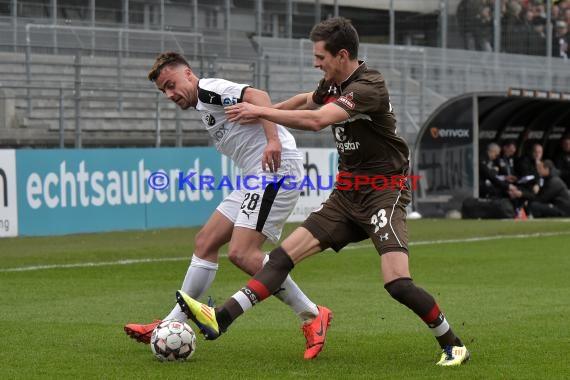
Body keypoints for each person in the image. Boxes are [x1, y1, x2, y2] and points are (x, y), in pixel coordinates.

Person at [175, 17, 469, 367]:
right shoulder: (332, 82)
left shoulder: (368, 86)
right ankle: (219, 319)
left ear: (342, 54)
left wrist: (260, 110)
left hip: (383, 192)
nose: (316, 63)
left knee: (398, 284)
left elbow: (317, 120)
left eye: (320, 57)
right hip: (345, 195)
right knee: (282, 258)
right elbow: (308, 100)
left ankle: (453, 343)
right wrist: (263, 114)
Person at [124, 51, 332, 360]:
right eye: (163, 91)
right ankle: (170, 324)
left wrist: (273, 141)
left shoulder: (209, 88)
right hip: (255, 178)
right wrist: (262, 117)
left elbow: (258, 94)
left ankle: (312, 314)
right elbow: (255, 108)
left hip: (276, 171)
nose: (169, 94)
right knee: (206, 241)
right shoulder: (204, 104)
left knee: (242, 253)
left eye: (171, 84)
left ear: (188, 74)